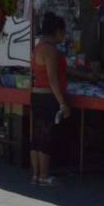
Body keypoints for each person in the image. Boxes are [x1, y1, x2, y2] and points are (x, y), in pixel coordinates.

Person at [30, 12, 70, 186]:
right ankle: (44, 176)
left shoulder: (38, 47)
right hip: (48, 97)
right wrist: (63, 104)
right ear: (57, 31)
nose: (64, 36)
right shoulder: (50, 50)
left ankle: (36, 175)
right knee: (47, 136)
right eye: (63, 32)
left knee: (37, 136)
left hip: (37, 95)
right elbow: (53, 79)